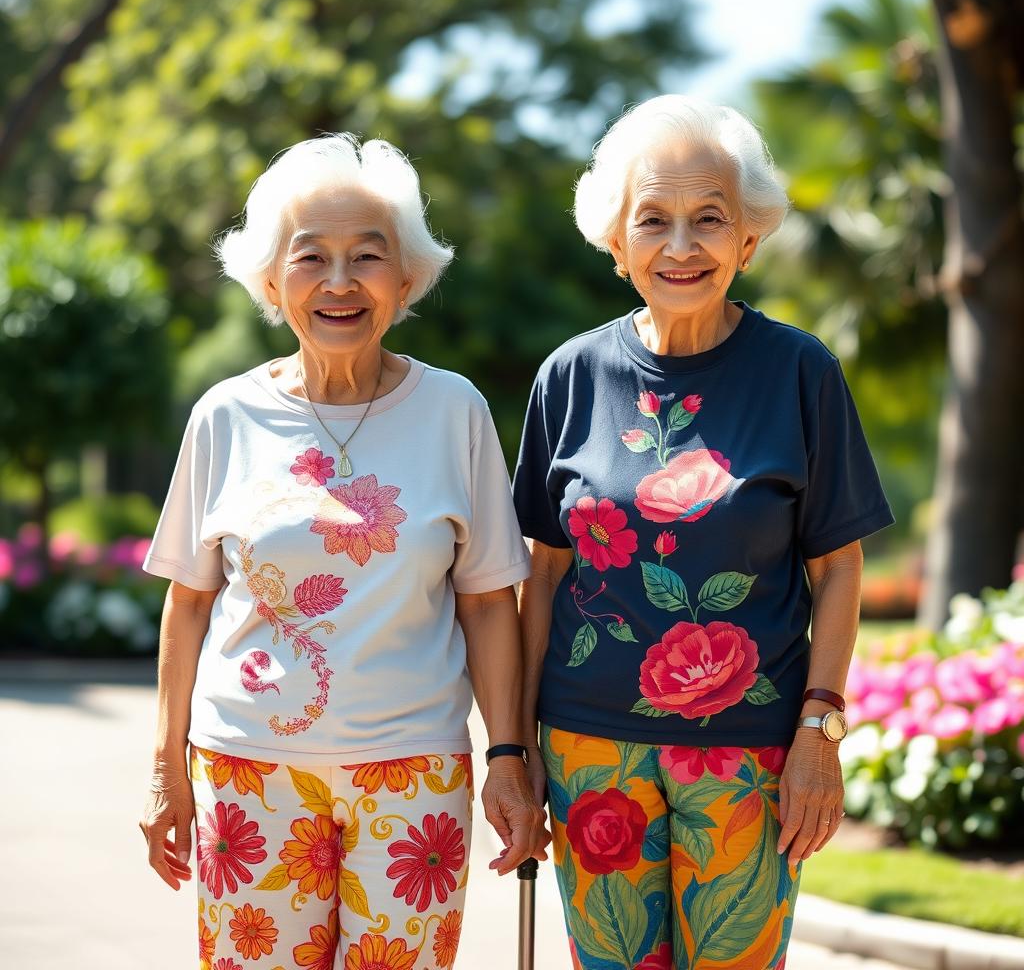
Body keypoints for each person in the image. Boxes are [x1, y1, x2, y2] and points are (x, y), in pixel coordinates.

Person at [139, 133, 547, 970]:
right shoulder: (224, 415)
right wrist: (164, 769)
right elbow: (188, 602)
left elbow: (486, 603)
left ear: (406, 279)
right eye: (310, 257)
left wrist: (508, 756)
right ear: (270, 280)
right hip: (248, 770)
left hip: (415, 777)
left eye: (368, 256)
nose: (338, 281)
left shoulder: (455, 412)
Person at [513, 96, 893, 970]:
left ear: (748, 242)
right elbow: (538, 577)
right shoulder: (568, 377)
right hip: (588, 749)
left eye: (708, 220)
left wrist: (820, 736)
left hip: (756, 753)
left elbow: (840, 570)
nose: (680, 246)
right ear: (616, 244)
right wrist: (516, 749)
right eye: (653, 220)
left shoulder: (802, 372)